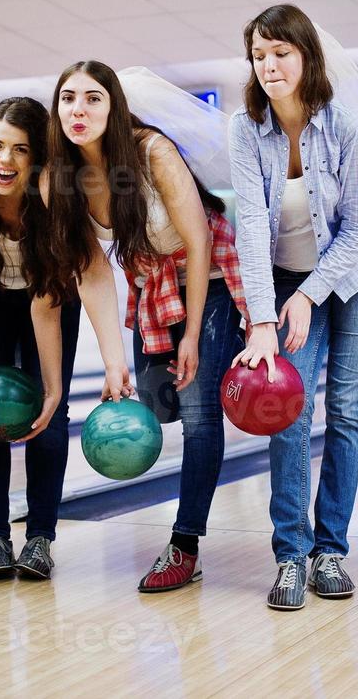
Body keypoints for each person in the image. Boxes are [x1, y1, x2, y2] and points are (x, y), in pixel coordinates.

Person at [46, 61, 246, 593]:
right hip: (152, 285)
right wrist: (113, 365)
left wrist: (192, 334)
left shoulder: (151, 152)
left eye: (92, 98)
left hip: (214, 276)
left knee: (201, 414)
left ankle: (184, 546)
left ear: (113, 107)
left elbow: (200, 240)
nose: (78, 110)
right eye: (68, 98)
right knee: (164, 409)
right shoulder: (62, 177)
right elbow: (90, 272)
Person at [229, 3, 358, 611]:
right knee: (288, 415)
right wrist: (264, 319)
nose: (269, 65)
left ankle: (330, 550)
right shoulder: (245, 129)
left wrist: (307, 296)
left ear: (306, 57)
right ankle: (290, 557)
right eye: (259, 55)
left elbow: (357, 231)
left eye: (281, 53)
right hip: (285, 281)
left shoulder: (344, 126)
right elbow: (251, 226)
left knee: (347, 411)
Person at [0, 97, 131, 582]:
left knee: (52, 413)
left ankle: (41, 537)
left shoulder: (52, 191)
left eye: (20, 150)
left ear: (38, 158)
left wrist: (51, 389)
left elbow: (51, 297)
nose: (5, 160)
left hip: (50, 297)